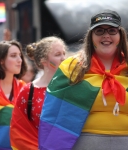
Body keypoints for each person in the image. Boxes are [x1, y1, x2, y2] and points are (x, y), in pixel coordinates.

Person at [39, 9, 128, 150]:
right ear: (91, 36)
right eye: (99, 31)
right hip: (85, 144)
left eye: (112, 31)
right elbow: (53, 112)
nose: (106, 36)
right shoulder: (72, 67)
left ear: (120, 35)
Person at [10, 36, 67, 150]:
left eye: (63, 53)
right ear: (44, 61)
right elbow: (19, 131)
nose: (63, 58)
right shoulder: (28, 91)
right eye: (57, 54)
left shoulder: (73, 86)